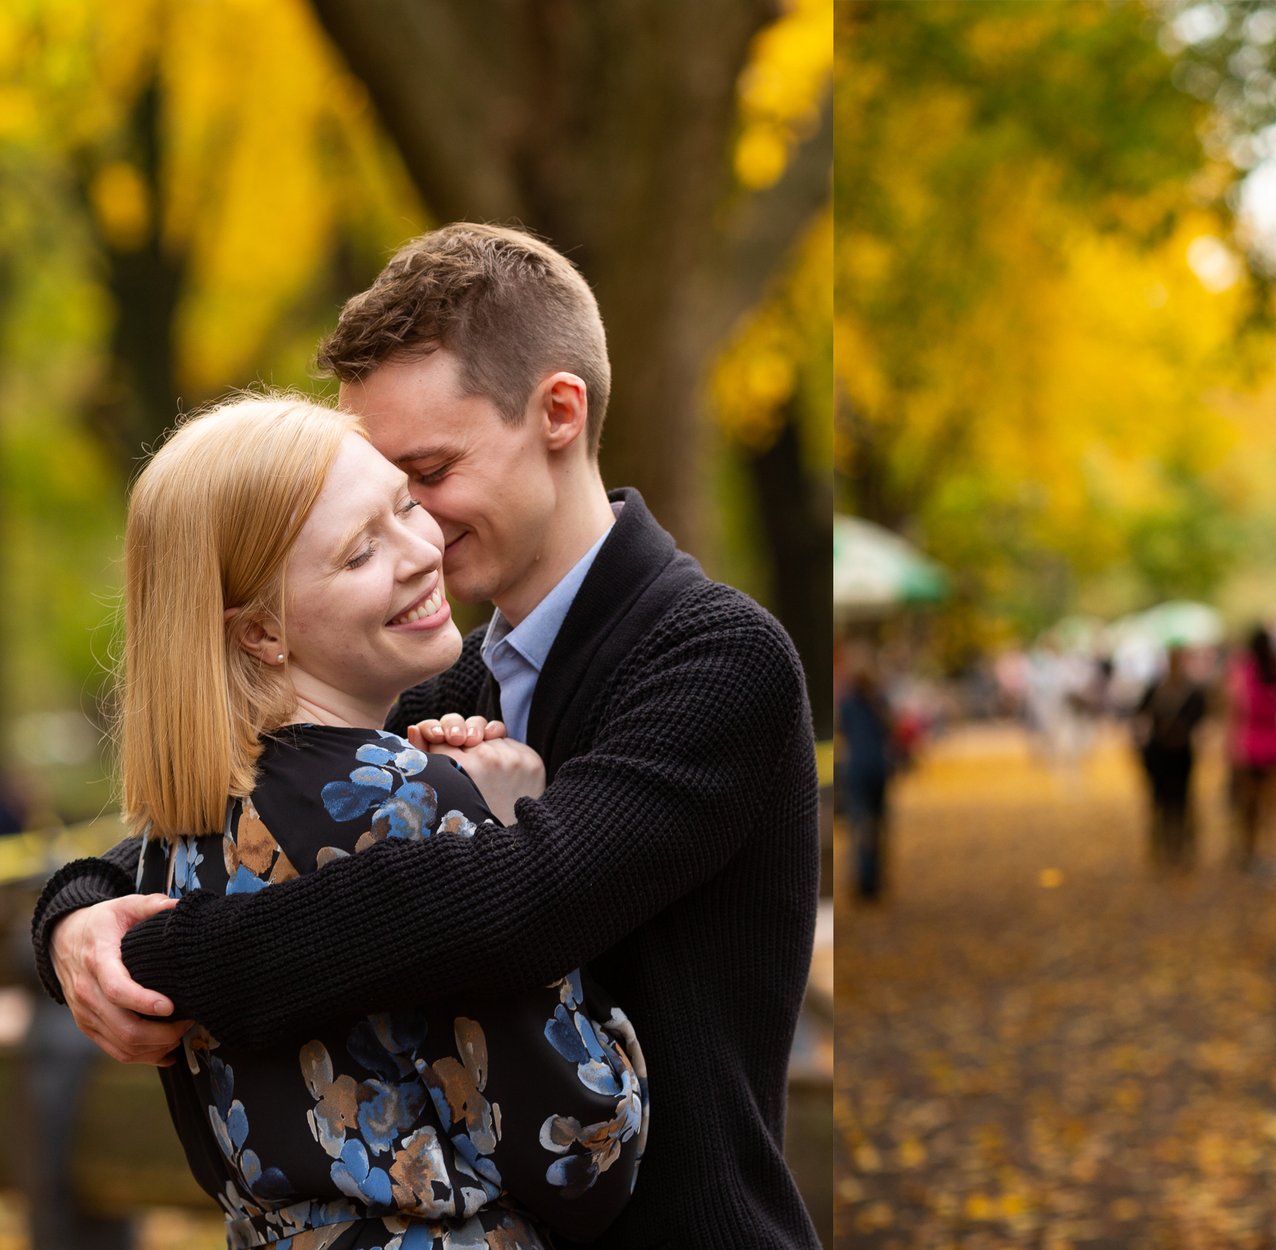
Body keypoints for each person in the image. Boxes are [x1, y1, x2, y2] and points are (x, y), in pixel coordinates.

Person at [34, 224, 823, 1249]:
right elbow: (229, 827)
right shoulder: (424, 675)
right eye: (383, 501)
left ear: (558, 412)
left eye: (429, 475)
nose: (417, 531)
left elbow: (510, 901)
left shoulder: (715, 659)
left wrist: (165, 955)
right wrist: (73, 919)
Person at [49, 394, 652, 1246]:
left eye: (407, 504)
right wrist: (511, 819)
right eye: (362, 551)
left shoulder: (175, 831)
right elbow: (583, 1155)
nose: (422, 550)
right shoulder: (406, 798)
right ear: (260, 630)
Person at [1223, 627, 1276, 873]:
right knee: (1275, 803)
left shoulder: (1243, 672)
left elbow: (1235, 708)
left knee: (1250, 804)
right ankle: (1275, 850)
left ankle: (1252, 851)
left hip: (1249, 744)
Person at [1133, 646, 1208, 872]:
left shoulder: (1191, 692)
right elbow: (1140, 716)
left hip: (1180, 753)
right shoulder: (1157, 689)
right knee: (1161, 801)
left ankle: (1180, 848)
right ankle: (1163, 848)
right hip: (1160, 753)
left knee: (1181, 801)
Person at [836, 650, 901, 901]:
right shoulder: (874, 699)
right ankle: (870, 878)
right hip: (875, 766)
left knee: (863, 824)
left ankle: (868, 878)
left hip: (860, 767)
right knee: (874, 823)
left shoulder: (850, 701)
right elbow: (891, 729)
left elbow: (843, 730)